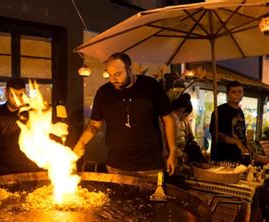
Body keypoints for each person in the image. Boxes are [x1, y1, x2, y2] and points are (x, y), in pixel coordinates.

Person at [73, 52, 177, 180]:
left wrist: (173, 150)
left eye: (118, 74)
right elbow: (94, 124)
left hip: (150, 166)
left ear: (129, 69)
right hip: (116, 167)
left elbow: (168, 119)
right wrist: (81, 142)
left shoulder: (151, 86)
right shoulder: (104, 93)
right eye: (110, 75)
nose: (113, 79)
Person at [0, 78, 41, 176]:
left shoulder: (30, 113)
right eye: (13, 95)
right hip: (5, 168)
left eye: (21, 95)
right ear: (6, 93)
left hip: (28, 167)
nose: (17, 99)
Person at [209, 80, 249, 162]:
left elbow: (241, 132)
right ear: (228, 94)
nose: (237, 94)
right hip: (223, 157)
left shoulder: (240, 111)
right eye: (234, 92)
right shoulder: (220, 111)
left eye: (240, 91)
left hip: (238, 156)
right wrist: (236, 142)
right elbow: (215, 133)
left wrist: (247, 144)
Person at [172, 93, 205, 164]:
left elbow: (190, 137)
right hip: (174, 155)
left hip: (180, 153)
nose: (185, 117)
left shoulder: (184, 122)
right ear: (182, 110)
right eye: (186, 115)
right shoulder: (172, 120)